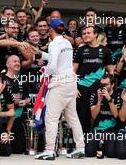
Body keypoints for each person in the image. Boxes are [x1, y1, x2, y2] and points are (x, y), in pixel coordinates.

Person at [34, 19, 85, 160]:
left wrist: (45, 74)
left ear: (51, 29)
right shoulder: (67, 42)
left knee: (51, 118)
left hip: (59, 84)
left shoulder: (54, 44)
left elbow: (52, 66)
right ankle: (80, 148)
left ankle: (49, 150)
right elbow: (59, 59)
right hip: (70, 83)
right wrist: (39, 53)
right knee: (72, 117)